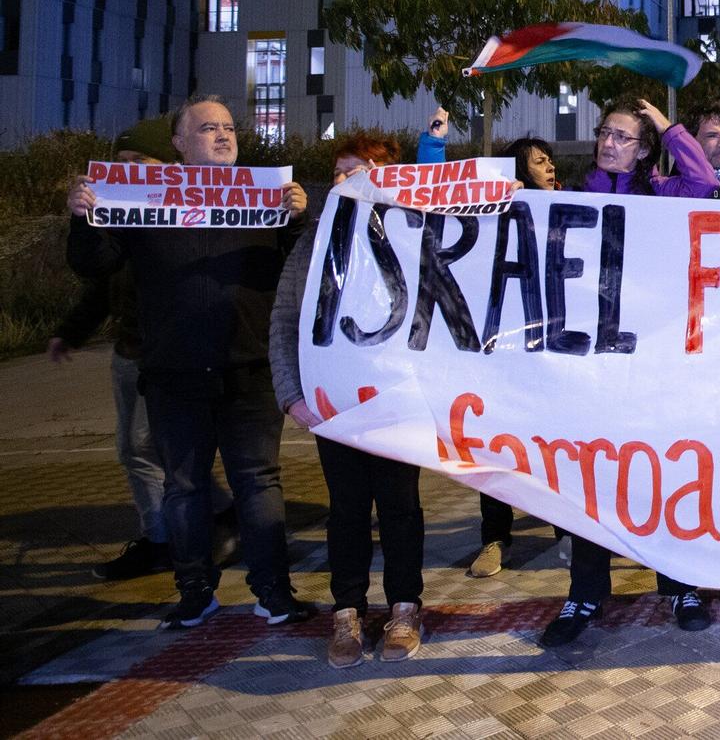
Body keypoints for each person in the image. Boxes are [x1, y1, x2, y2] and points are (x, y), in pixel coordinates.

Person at [66, 94, 313, 630]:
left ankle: (273, 591)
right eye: (207, 129)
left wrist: (297, 219)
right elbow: (94, 263)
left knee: (259, 483)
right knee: (185, 488)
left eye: (228, 128)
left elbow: (304, 268)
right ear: (178, 143)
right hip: (175, 373)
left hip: (249, 370)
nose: (223, 136)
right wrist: (84, 218)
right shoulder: (142, 200)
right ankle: (195, 592)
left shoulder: (264, 198)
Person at [542, 98, 720, 647]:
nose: (608, 143)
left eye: (622, 136)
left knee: (662, 475)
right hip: (591, 365)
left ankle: (681, 585)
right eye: (604, 134)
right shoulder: (571, 198)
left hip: (652, 365)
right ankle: (587, 591)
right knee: (584, 479)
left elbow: (707, 181)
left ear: (642, 148)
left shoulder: (661, 193)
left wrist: (669, 128)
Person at [48, 116, 235, 580]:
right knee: (149, 450)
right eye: (121, 162)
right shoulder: (120, 217)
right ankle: (200, 524)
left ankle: (171, 539)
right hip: (131, 354)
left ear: (167, 163)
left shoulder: (178, 213)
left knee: (146, 448)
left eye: (139, 161)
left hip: (170, 357)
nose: (128, 170)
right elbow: (100, 281)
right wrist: (71, 331)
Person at [269, 127, 429, 668]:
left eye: (356, 169)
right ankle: (348, 611)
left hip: (394, 403)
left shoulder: (411, 233)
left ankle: (405, 607)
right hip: (333, 404)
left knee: (401, 507)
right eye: (337, 171)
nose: (342, 179)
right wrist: (291, 395)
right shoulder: (313, 239)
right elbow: (285, 318)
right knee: (347, 511)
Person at [467, 134, 562, 579]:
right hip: (507, 348)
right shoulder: (495, 208)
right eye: (538, 162)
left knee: (560, 444)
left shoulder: (575, 202)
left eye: (549, 161)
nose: (549, 167)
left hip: (557, 349)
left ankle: (568, 530)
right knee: (498, 443)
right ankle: (495, 537)